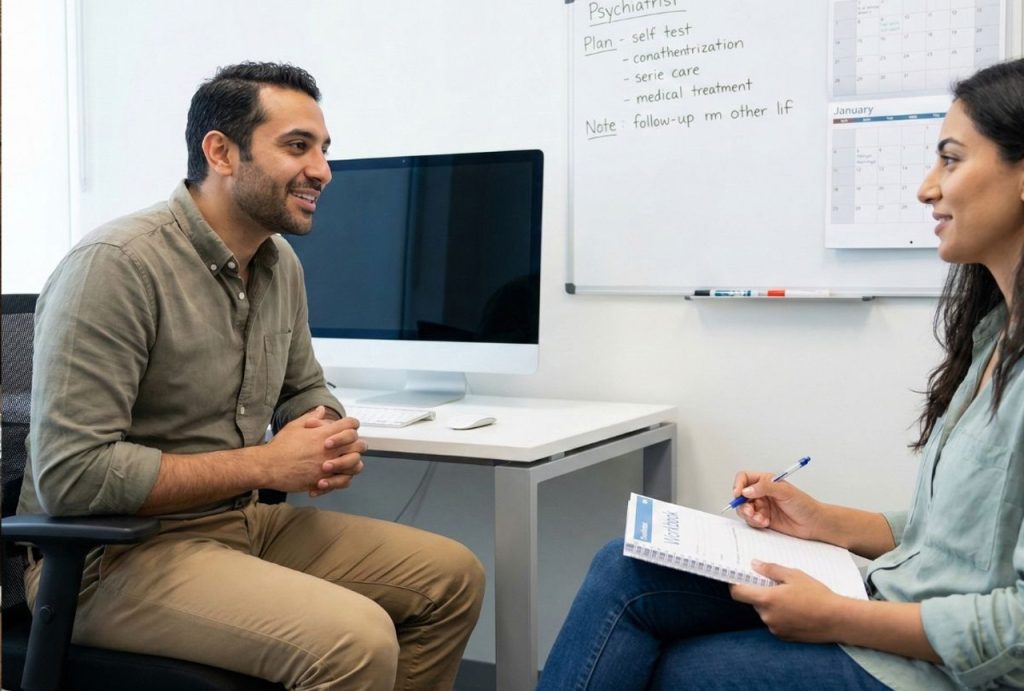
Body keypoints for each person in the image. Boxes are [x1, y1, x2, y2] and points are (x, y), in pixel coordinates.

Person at [538, 57, 1024, 691]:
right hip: (895, 606)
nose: (926, 188)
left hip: (951, 668)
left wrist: (839, 619)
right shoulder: (993, 334)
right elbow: (958, 543)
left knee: (675, 671)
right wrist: (824, 523)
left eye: (951, 160)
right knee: (623, 569)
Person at [17, 61, 484, 691]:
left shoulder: (277, 262)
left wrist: (322, 432)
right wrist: (267, 465)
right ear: (222, 152)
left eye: (323, 149)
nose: (322, 170)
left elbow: (302, 386)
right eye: (297, 146)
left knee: (451, 577)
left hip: (238, 522)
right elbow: (72, 477)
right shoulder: (115, 267)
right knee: (355, 639)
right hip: (109, 556)